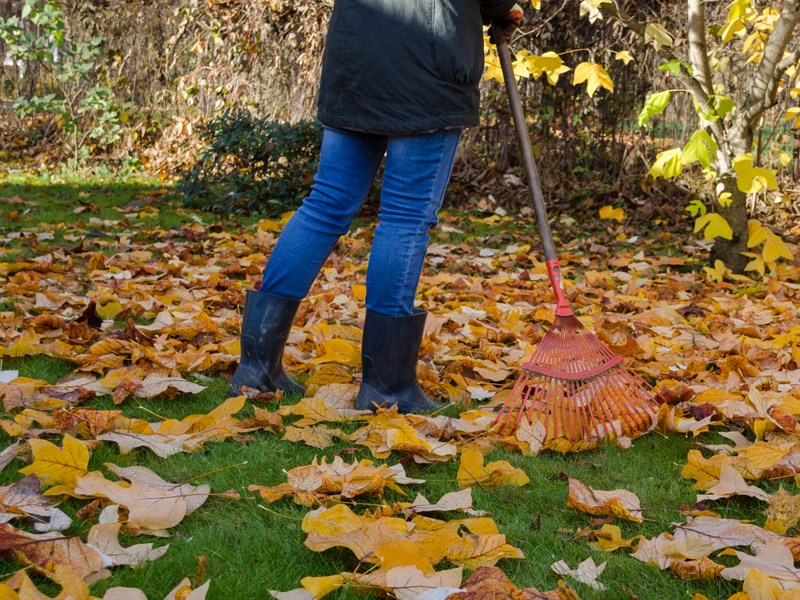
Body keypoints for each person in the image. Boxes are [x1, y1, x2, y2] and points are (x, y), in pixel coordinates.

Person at [229, 0, 523, 413]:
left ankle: (255, 369)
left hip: (357, 58)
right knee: (405, 218)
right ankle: (387, 388)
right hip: (428, 65)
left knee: (326, 204)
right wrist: (500, 10)